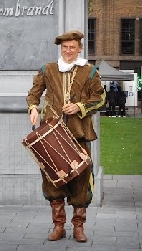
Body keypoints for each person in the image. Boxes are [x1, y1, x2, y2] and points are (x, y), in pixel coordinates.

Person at [26, 30, 105, 243]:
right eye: (65, 48)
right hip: (52, 135)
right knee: (53, 180)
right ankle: (58, 225)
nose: (68, 51)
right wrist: (33, 107)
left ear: (79, 48)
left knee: (80, 181)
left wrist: (80, 106)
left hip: (78, 134)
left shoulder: (90, 71)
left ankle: (78, 227)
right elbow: (34, 93)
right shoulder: (48, 69)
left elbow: (99, 99)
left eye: (72, 47)